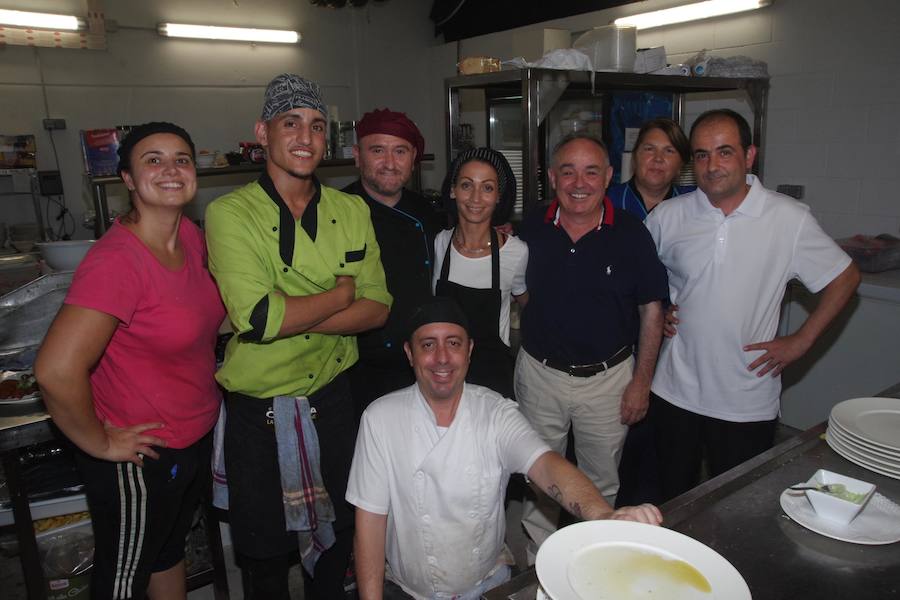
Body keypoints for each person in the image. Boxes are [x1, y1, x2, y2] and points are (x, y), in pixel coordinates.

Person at [204, 74, 392, 599]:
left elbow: (378, 309)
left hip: (332, 402)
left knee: (336, 545)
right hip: (258, 413)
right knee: (263, 556)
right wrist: (338, 297)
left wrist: (294, 309)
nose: (305, 137)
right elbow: (259, 319)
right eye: (291, 124)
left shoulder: (351, 211)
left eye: (315, 125)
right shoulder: (229, 213)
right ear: (263, 132)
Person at [347, 297, 662, 600]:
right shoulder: (381, 419)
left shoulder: (495, 412)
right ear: (409, 353)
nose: (441, 357)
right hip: (408, 591)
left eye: (454, 343)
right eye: (428, 345)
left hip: (488, 585)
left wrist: (604, 515)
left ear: (469, 350)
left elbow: (547, 465)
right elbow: (370, 525)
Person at [35, 122, 224, 600]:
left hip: (190, 437)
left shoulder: (190, 237)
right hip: (141, 454)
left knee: (166, 551)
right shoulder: (117, 261)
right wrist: (98, 442)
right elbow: (55, 371)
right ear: (126, 177)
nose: (171, 169)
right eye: (153, 159)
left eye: (181, 158)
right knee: (122, 580)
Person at [645, 109, 860, 502]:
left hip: (745, 398)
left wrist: (801, 340)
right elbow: (637, 282)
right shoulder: (668, 217)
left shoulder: (788, 219)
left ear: (749, 155)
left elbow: (845, 277)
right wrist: (656, 312)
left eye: (724, 152)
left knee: (737, 507)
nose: (712, 165)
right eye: (701, 155)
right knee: (671, 502)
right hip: (674, 392)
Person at [514, 133, 669, 550]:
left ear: (609, 177)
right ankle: (538, 565)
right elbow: (519, 293)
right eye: (568, 171)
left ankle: (592, 560)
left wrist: (641, 383)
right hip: (540, 375)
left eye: (591, 171)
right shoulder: (530, 226)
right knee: (539, 477)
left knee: (601, 482)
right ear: (551, 176)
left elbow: (652, 311)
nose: (578, 182)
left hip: (608, 380)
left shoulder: (632, 234)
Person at [343, 109, 445, 418]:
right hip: (361, 370)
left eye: (400, 151)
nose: (389, 162)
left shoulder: (427, 212)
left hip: (424, 363)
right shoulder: (335, 211)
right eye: (378, 150)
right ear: (358, 155)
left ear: (414, 159)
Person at [432, 147, 526, 399]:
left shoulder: (516, 252)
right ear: (452, 191)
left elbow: (531, 309)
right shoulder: (439, 243)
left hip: (492, 381)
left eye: (487, 187)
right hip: (442, 377)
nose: (475, 197)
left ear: (498, 196)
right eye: (466, 185)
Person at [607, 117, 693, 220]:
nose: (658, 158)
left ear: (681, 165)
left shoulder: (693, 204)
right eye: (649, 149)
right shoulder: (606, 201)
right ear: (634, 157)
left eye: (669, 151)